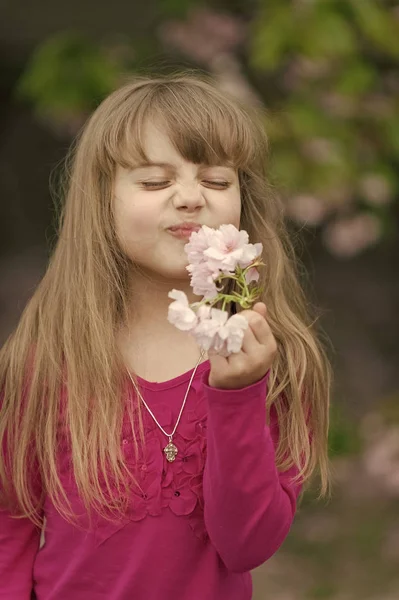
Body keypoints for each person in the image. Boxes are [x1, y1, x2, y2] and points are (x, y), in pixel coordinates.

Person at [0, 73, 331, 600]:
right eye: (155, 181)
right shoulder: (48, 358)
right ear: (101, 202)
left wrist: (238, 395)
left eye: (217, 181)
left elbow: (247, 545)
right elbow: (10, 530)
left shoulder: (276, 358)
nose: (189, 198)